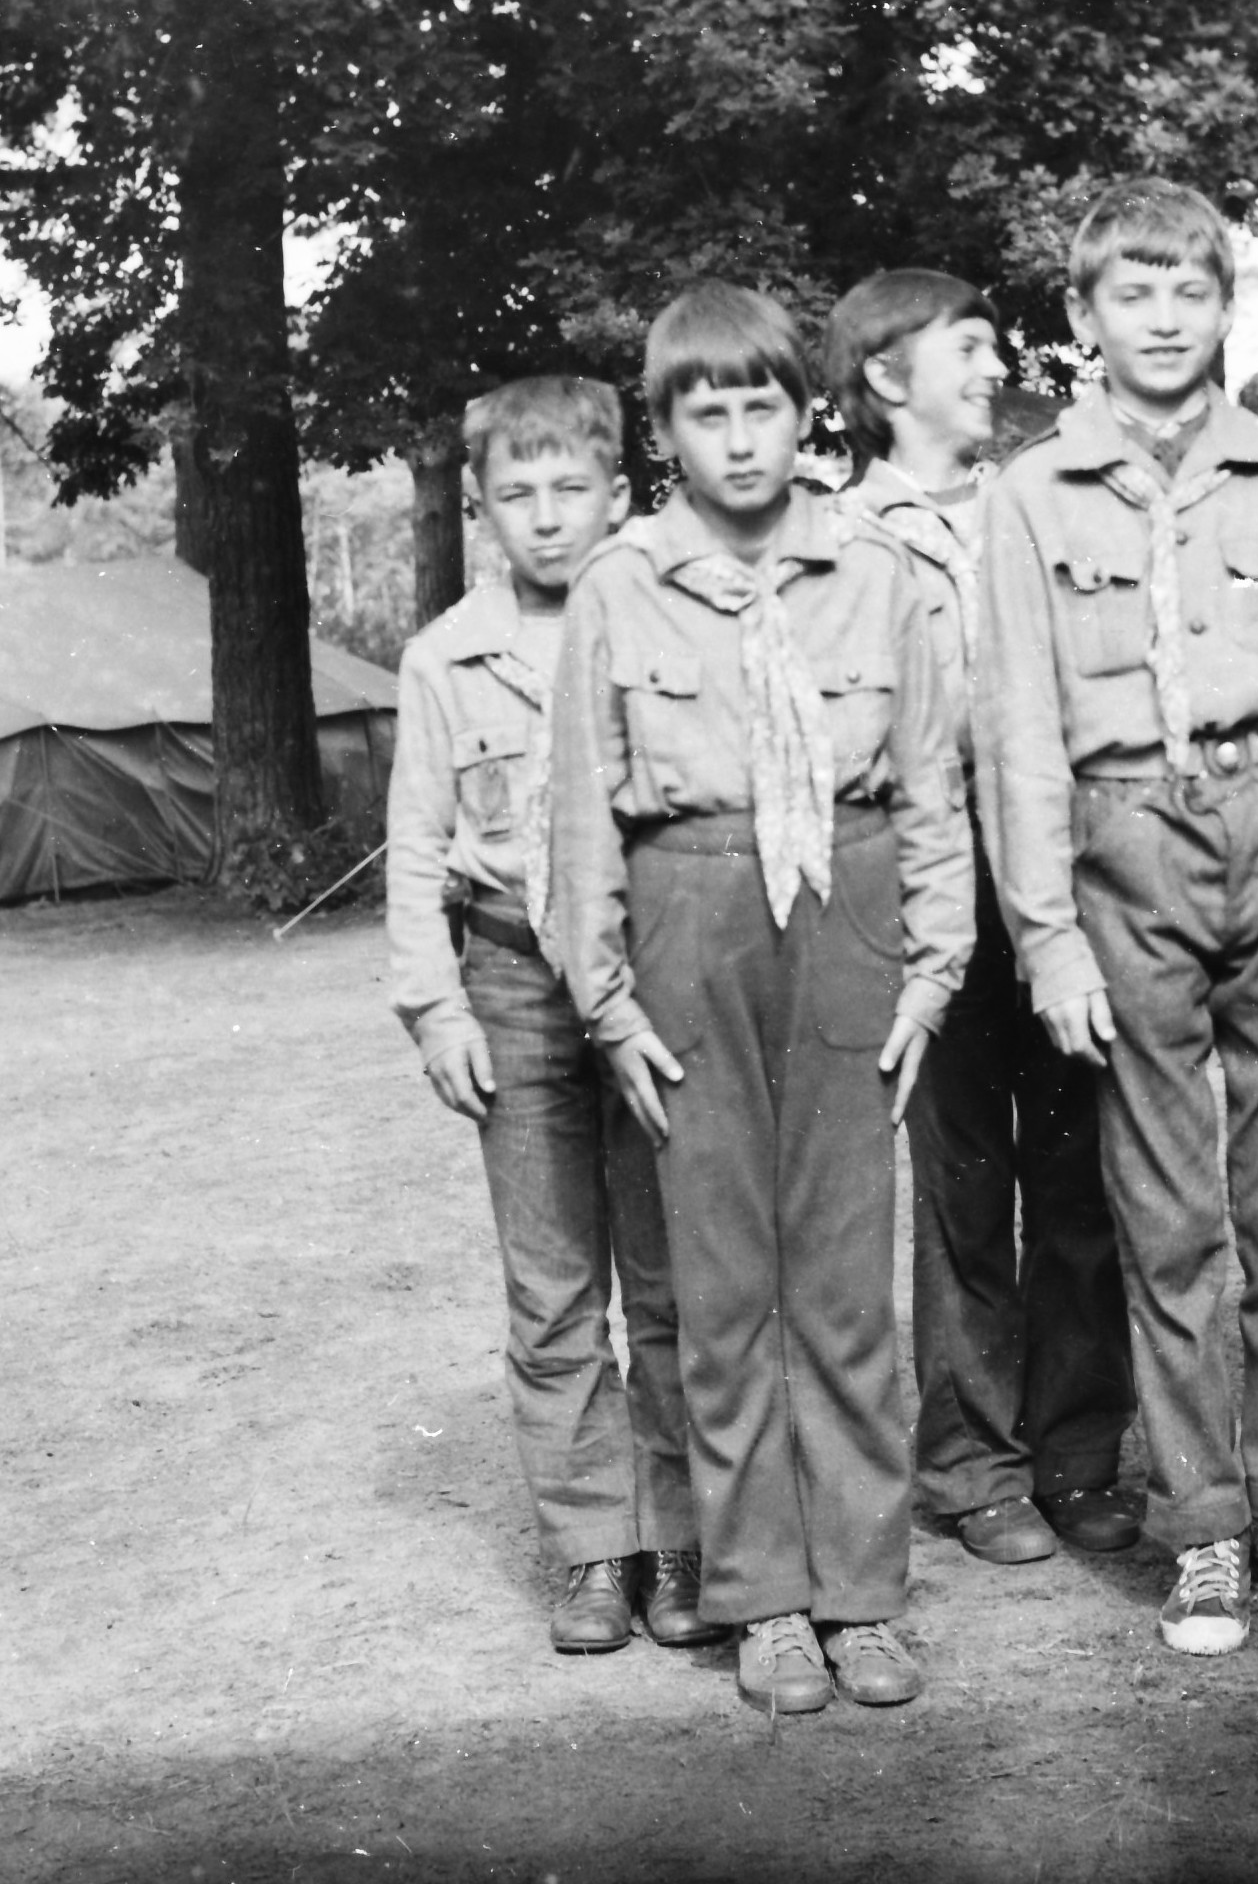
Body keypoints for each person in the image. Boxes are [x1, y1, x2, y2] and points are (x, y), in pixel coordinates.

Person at [976, 177, 1258, 1656]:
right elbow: (1017, 733)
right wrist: (1046, 937)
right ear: (1082, 316)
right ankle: (1205, 1526)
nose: (1162, 321)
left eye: (1188, 292)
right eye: (1132, 295)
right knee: (1167, 1217)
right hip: (1126, 848)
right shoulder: (1031, 495)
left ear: (1225, 308)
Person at [548, 281, 975, 1713]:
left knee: (845, 1279)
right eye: (706, 414)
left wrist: (933, 968)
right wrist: (609, 1005)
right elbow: (578, 818)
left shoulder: (876, 573)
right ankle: (765, 1601)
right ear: (664, 432)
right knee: (723, 1285)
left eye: (762, 408)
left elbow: (931, 787)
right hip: (689, 915)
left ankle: (861, 1592)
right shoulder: (619, 584)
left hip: (847, 910)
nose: (738, 441)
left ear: (805, 417)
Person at [386, 375, 710, 1658]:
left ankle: (682, 1534)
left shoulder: (663, 628)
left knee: (675, 1275)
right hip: (514, 984)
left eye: (572, 488)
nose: (547, 515)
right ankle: (593, 1546)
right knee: (553, 1284)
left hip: (651, 981)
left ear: (620, 497)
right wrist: (436, 1010)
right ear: (480, 510)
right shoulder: (443, 658)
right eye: (516, 494)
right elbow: (417, 851)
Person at [823, 269, 1140, 1567]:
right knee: (961, 1185)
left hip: (1061, 880)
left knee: (1080, 1171)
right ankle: (972, 1462)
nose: (993, 366)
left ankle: (1080, 1452)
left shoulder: (1036, 502)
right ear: (884, 374)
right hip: (927, 894)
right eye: (964, 348)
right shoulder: (838, 535)